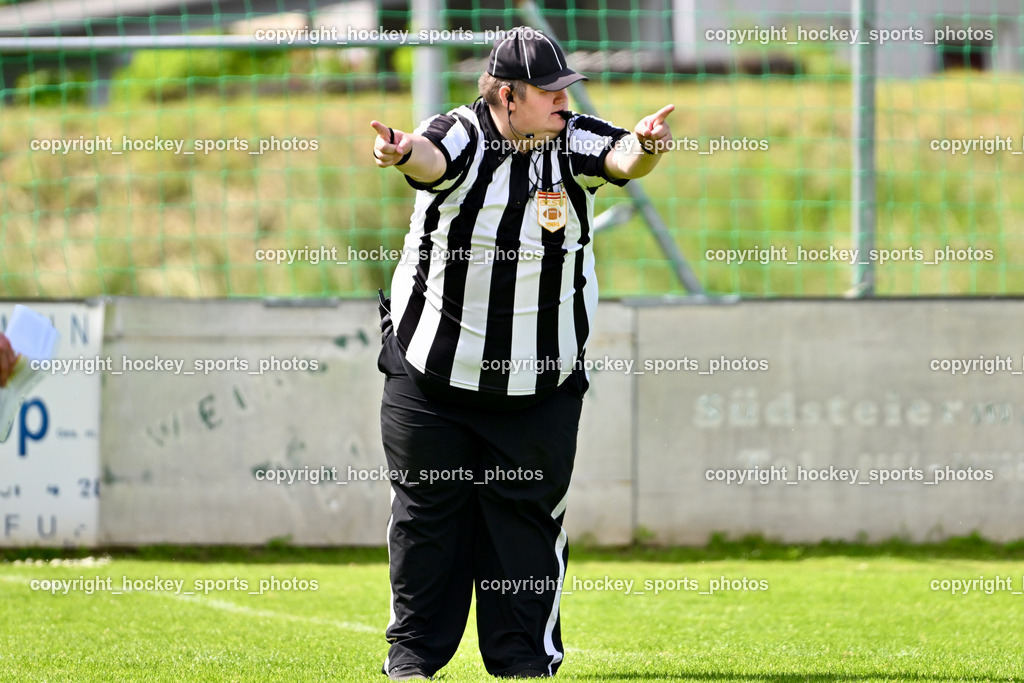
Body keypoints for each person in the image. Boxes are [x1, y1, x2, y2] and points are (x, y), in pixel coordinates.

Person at [370, 26, 673, 681]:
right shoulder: (460, 133)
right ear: (507, 96)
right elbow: (429, 158)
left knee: (526, 525)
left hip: (540, 381)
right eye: (551, 93)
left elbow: (621, 158)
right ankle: (413, 658)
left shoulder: (572, 138)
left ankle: (524, 662)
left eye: (567, 91)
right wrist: (399, 152)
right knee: (427, 516)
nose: (565, 103)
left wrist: (646, 147)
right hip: (434, 375)